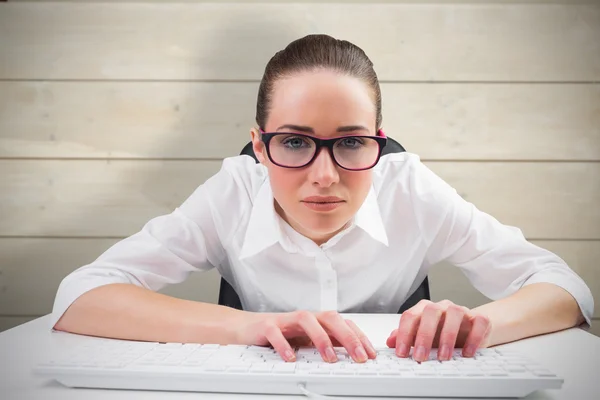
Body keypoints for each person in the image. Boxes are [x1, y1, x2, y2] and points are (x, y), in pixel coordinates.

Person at [51, 34, 593, 364]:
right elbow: (81, 296)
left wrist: (483, 324)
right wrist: (249, 326)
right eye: (294, 142)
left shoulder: (411, 189)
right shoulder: (232, 193)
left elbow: (566, 289)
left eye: (352, 142)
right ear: (260, 146)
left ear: (379, 139)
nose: (325, 176)